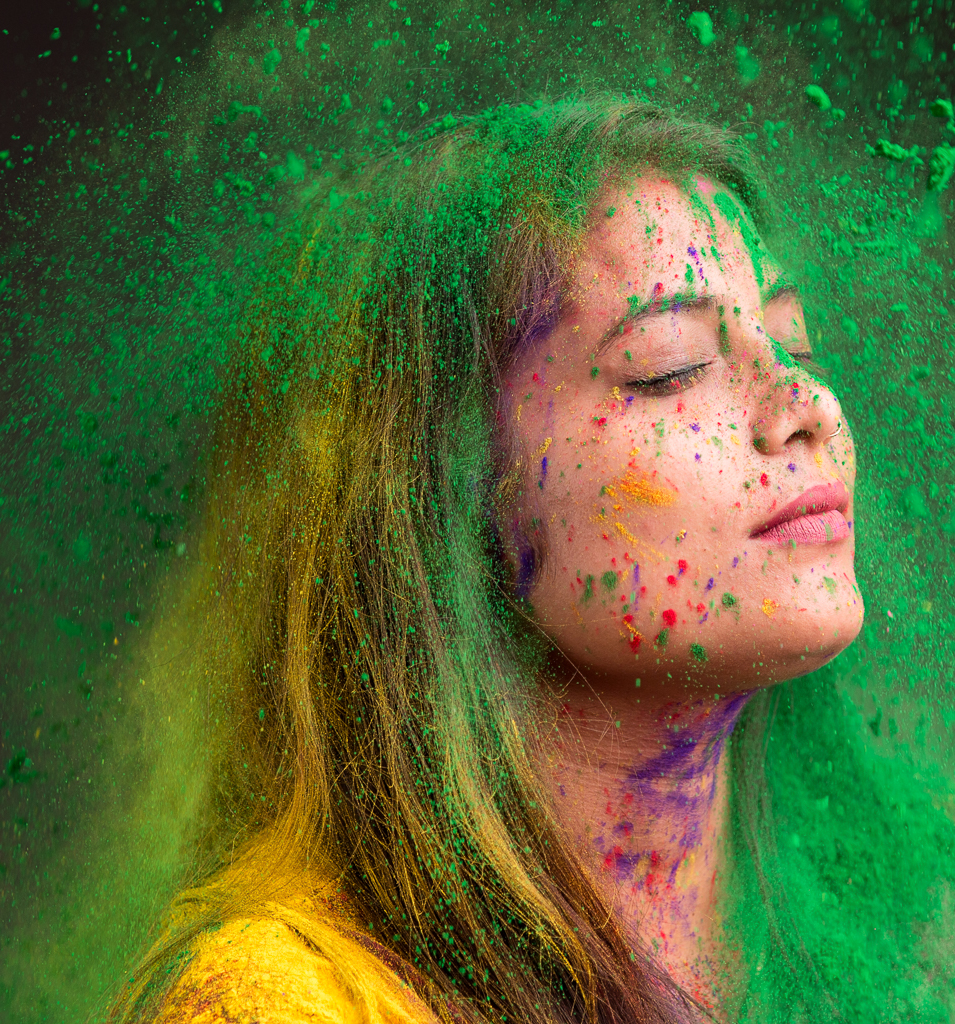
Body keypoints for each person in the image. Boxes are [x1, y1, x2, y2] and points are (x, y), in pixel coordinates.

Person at [114, 100, 864, 1024]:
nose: (804, 405)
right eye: (668, 366)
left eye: (792, 340)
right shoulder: (279, 1004)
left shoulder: (937, 886)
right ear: (450, 496)